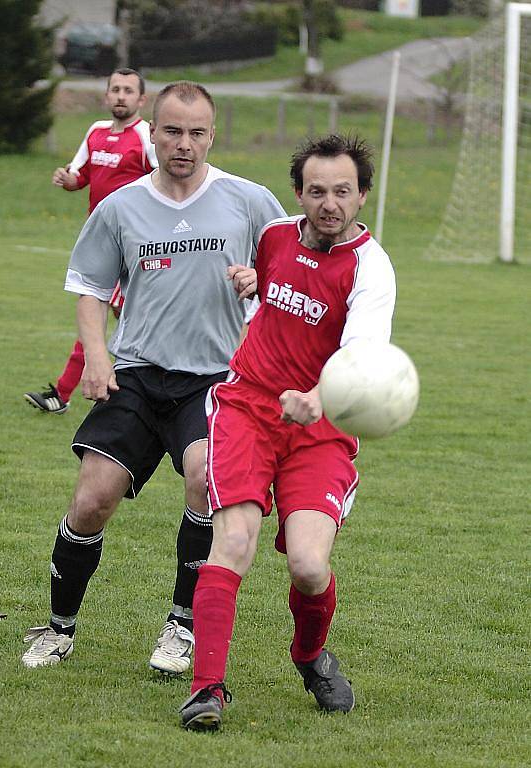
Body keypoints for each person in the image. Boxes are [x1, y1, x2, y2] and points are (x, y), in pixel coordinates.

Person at [21, 82, 286, 673]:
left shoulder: (248, 200)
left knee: (202, 475)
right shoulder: (122, 207)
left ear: (212, 135)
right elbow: (90, 288)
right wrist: (95, 355)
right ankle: (59, 628)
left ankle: (181, 624)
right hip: (137, 373)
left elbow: (293, 272)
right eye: (172, 131)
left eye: (197, 133)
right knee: (92, 498)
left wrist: (260, 283)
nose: (184, 144)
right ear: (153, 133)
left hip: (216, 380)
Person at [178, 134, 397, 730]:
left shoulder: (371, 268)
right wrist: (254, 284)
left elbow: (360, 355)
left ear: (362, 196)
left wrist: (316, 399)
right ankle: (207, 690)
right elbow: (276, 288)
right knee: (234, 543)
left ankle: (308, 655)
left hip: (321, 426)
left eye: (343, 192)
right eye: (317, 191)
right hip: (247, 406)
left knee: (307, 564)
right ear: (299, 193)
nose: (330, 204)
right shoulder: (274, 235)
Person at [24, 67, 157, 415]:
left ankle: (65, 393)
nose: (121, 96)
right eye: (115, 89)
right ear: (106, 95)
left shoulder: (145, 136)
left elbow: (164, 180)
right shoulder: (96, 132)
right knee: (120, 315)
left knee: (104, 314)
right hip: (100, 244)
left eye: (129, 90)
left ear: (141, 99)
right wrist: (67, 179)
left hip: (134, 247)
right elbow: (80, 176)